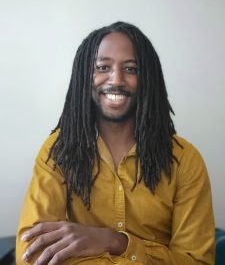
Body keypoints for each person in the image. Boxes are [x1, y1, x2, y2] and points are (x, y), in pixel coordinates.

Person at [16, 22, 215, 265]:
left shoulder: (185, 160)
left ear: (148, 79)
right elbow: (33, 254)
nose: (117, 79)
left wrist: (116, 242)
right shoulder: (58, 151)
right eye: (103, 67)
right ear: (84, 76)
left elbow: (197, 262)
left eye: (131, 69)